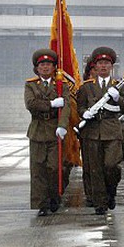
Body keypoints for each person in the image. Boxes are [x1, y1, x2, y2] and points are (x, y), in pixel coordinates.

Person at [76, 47, 124, 215]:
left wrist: (117, 98)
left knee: (111, 166)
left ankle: (111, 192)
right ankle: (101, 203)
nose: (103, 66)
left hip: (112, 131)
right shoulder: (86, 87)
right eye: (100, 63)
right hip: (92, 132)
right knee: (95, 169)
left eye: (107, 63)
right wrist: (84, 113)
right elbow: (80, 106)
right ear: (95, 66)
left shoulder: (117, 86)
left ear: (111, 66)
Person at [24, 49, 71, 216]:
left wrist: (63, 125)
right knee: (38, 169)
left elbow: (66, 106)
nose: (45, 67)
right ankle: (41, 204)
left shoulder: (61, 84)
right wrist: (51, 104)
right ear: (37, 68)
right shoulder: (30, 84)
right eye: (42, 64)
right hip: (37, 130)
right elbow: (31, 104)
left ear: (54, 67)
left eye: (49, 64)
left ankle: (54, 197)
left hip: (54, 129)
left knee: (54, 167)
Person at [80, 61, 96, 207]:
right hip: (87, 132)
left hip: (103, 131)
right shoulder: (84, 88)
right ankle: (90, 194)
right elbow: (78, 107)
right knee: (89, 165)